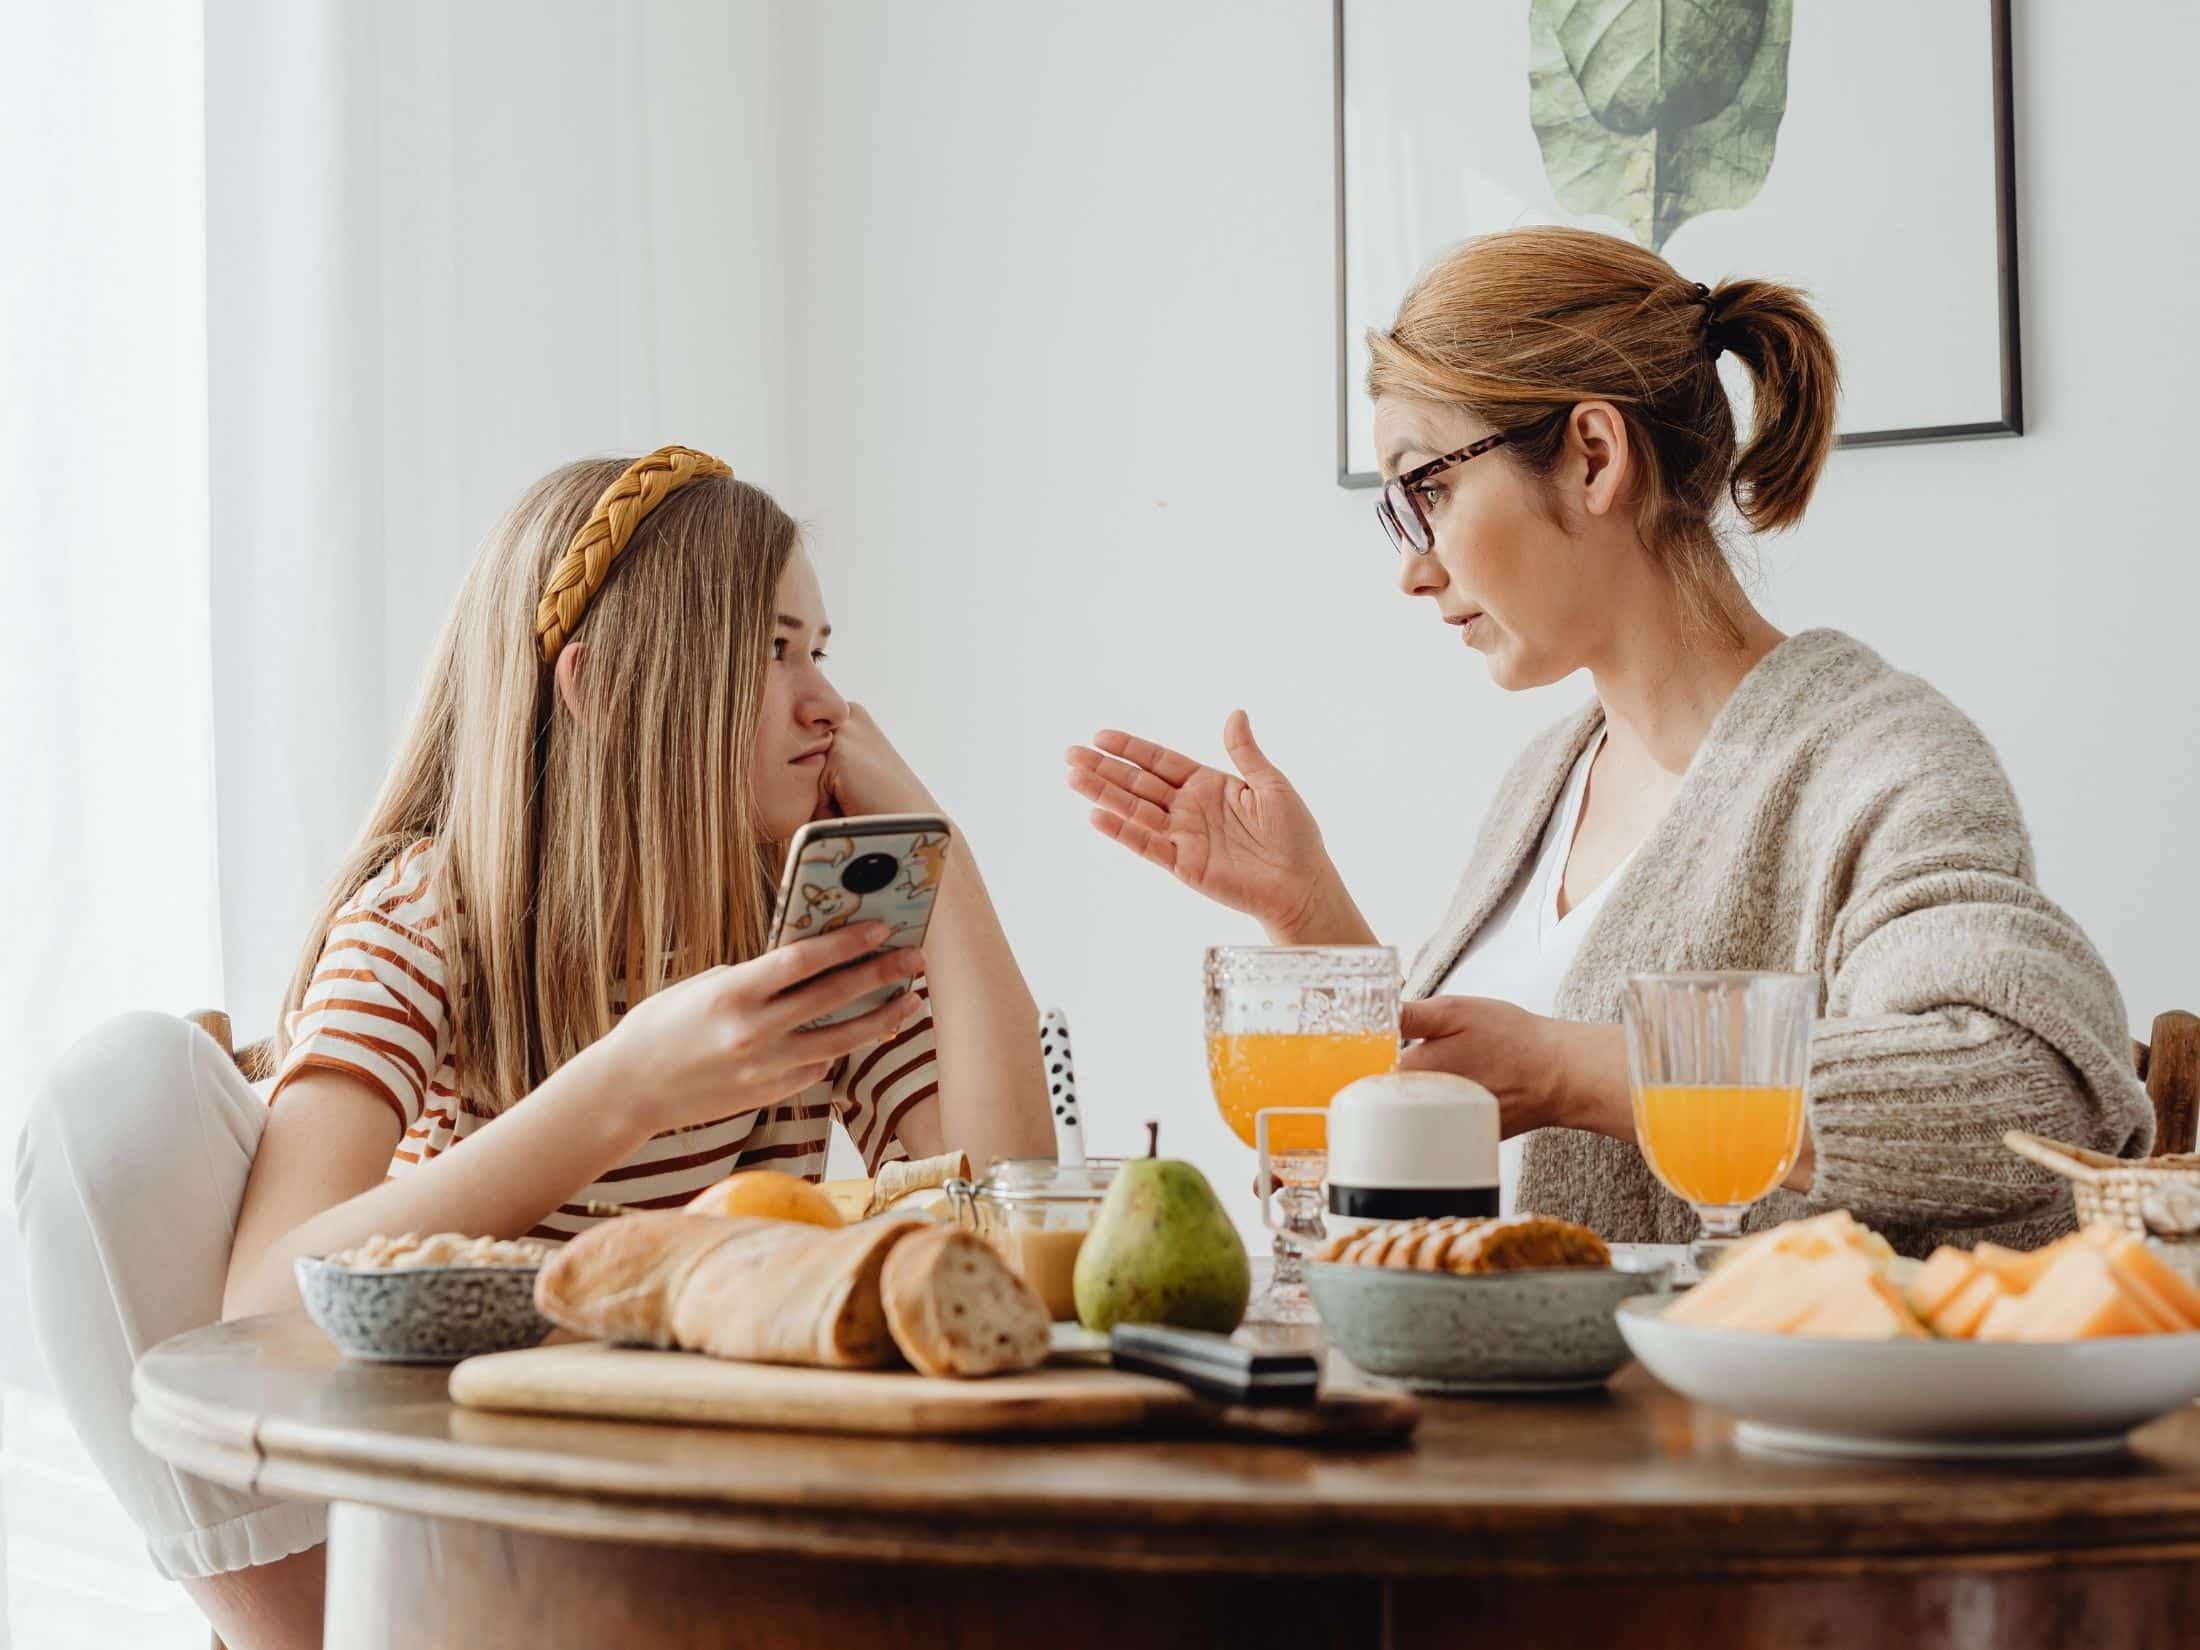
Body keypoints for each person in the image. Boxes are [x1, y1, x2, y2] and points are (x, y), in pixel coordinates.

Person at [18, 445, 1053, 1648]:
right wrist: (622, 1092)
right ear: (604, 689)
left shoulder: (792, 935)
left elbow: (1009, 1200)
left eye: (818, 652)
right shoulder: (429, 917)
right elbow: (262, 1304)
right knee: (118, 1089)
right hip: (447, 1522)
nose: (826, 704)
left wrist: (944, 855)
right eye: (772, 651)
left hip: (693, 1514)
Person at [1069, 227, 2149, 1256]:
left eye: (1429, 488)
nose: (1411, 564)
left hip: (1720, 1439)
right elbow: (1454, 1126)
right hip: (1494, 1424)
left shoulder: (1876, 764)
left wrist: (1575, 1071)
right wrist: (1309, 915)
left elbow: (2032, 1088)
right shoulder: (1549, 778)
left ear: (1592, 455)